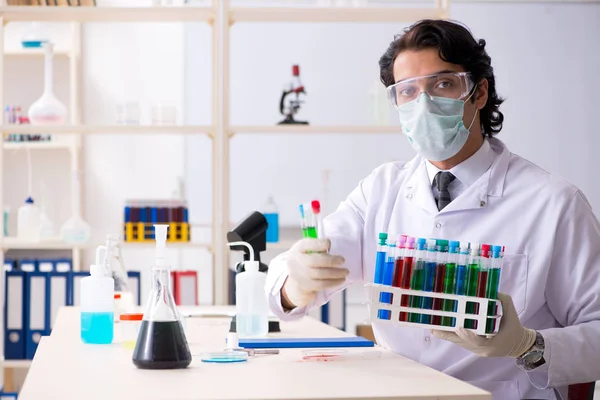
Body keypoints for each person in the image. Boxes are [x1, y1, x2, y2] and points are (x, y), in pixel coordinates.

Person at [265, 19, 600, 400]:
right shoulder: (381, 190)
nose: (423, 104)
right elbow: (286, 291)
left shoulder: (554, 204)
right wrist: (297, 281)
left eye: (442, 84)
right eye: (407, 91)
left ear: (478, 92)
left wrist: (526, 345)